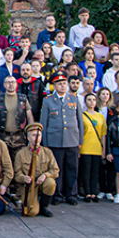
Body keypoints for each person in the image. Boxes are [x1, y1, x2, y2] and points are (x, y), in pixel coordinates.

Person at [40, 72, 84, 206]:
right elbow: (44, 122)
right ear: (54, 86)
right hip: (55, 140)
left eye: (64, 83)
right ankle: (57, 194)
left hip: (72, 139)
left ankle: (71, 194)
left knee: (72, 168)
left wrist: (80, 140)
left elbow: (80, 121)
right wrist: (45, 142)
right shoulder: (48, 101)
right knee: (56, 169)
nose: (63, 86)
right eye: (59, 84)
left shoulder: (74, 99)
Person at [13, 122, 59, 217]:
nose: (36, 138)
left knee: (51, 182)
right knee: (31, 212)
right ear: (28, 137)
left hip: (42, 183)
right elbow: (17, 174)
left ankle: (44, 207)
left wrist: (45, 175)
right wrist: (23, 178)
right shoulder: (21, 154)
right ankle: (29, 203)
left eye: (38, 135)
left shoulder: (47, 152)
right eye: (33, 135)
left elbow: (55, 170)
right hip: (29, 186)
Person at [0, 75, 33, 160]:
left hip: (19, 138)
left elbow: (30, 118)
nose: (10, 84)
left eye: (13, 82)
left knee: (19, 163)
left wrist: (31, 135)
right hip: (2, 136)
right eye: (8, 82)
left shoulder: (23, 99)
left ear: (16, 84)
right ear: (4, 85)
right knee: (2, 163)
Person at [79, 93, 107, 203]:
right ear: (85, 102)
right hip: (86, 147)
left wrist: (104, 149)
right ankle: (87, 193)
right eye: (89, 100)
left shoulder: (100, 116)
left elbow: (103, 134)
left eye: (93, 100)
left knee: (95, 171)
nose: (92, 102)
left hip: (97, 147)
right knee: (86, 171)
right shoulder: (82, 115)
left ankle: (93, 192)